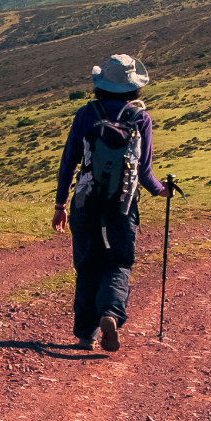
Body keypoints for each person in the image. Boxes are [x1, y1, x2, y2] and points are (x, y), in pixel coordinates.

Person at [52, 54, 171, 352]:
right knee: (118, 262)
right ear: (135, 86)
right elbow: (143, 171)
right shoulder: (140, 117)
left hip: (85, 201)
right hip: (123, 204)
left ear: (101, 84)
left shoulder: (86, 113)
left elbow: (69, 162)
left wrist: (61, 205)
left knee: (87, 265)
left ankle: (84, 335)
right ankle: (110, 313)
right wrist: (161, 191)